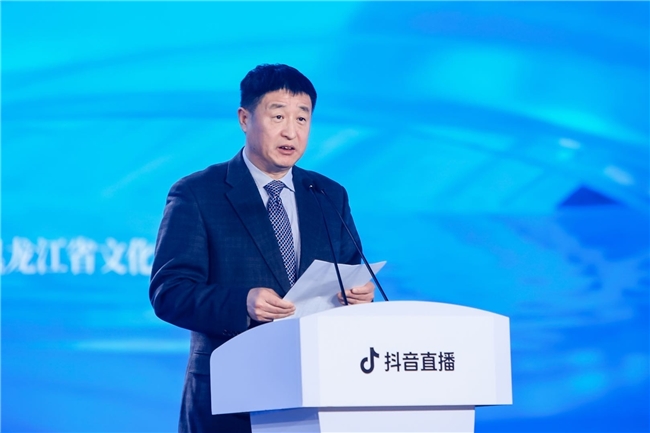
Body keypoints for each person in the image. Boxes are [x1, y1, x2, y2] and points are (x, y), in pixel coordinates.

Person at [149, 63, 374, 433]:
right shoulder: (197, 193)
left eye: (302, 118)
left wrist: (357, 296)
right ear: (244, 118)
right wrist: (242, 302)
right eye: (278, 116)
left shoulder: (327, 194)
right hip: (229, 400)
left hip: (318, 396)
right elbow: (169, 292)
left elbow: (350, 271)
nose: (291, 131)